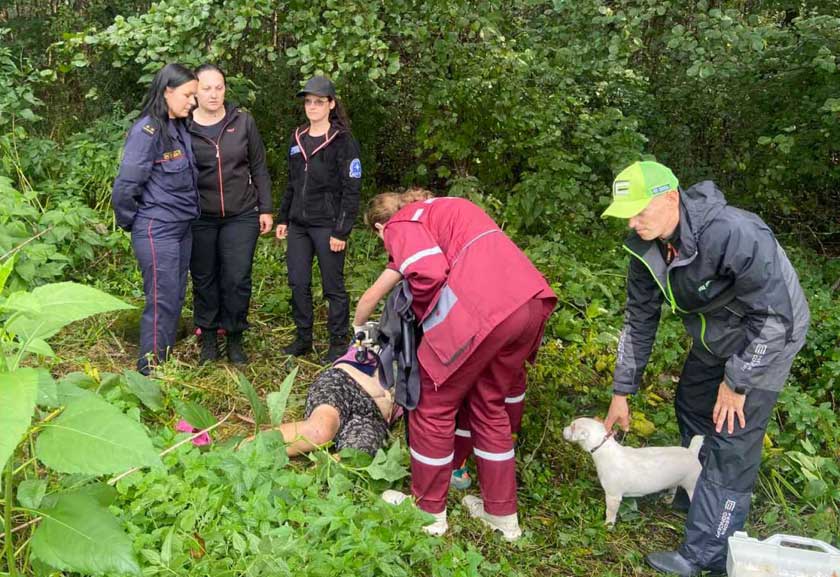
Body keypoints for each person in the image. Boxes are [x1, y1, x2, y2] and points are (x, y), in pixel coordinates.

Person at [601, 161, 809, 576]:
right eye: (627, 212)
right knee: (693, 403)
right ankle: (693, 488)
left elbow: (773, 317)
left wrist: (737, 383)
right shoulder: (645, 246)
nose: (633, 221)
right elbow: (639, 320)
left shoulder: (734, 232)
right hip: (716, 334)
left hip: (768, 336)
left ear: (671, 197)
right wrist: (621, 391)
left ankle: (706, 553)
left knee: (731, 437)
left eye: (641, 209)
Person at [353, 189, 556, 540]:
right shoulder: (448, 208)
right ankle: (502, 516)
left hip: (484, 309)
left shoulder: (403, 222)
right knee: (489, 405)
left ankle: (429, 511)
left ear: (380, 227)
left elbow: (428, 273)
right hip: (530, 302)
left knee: (432, 403)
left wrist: (421, 324)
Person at [112, 63, 199, 375]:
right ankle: (149, 372)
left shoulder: (178, 128)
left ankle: (165, 360)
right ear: (168, 91)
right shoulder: (147, 130)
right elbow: (126, 185)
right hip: (156, 229)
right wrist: (132, 222)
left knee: (174, 295)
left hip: (181, 228)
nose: (193, 101)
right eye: (189, 95)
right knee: (161, 300)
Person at [187, 64, 273, 365]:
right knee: (204, 278)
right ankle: (208, 337)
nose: (213, 94)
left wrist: (266, 208)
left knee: (237, 277)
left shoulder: (243, 121)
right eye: (207, 88)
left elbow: (258, 166)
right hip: (200, 216)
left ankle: (235, 336)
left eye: (219, 87)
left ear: (225, 89)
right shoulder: (184, 125)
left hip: (241, 213)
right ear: (195, 90)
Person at [275, 76, 362, 362]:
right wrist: (283, 218)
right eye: (308, 102)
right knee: (298, 282)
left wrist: (342, 231)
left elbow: (352, 188)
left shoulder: (342, 141)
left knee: (332, 286)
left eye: (319, 102)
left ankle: (338, 343)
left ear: (331, 104)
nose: (312, 107)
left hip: (328, 226)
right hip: (299, 225)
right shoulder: (297, 137)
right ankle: (303, 337)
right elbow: (292, 182)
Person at [244, 337, 398, 457]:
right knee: (319, 430)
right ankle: (245, 449)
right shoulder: (379, 337)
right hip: (345, 383)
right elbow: (364, 316)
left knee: (355, 455)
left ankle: (314, 483)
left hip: (373, 415)